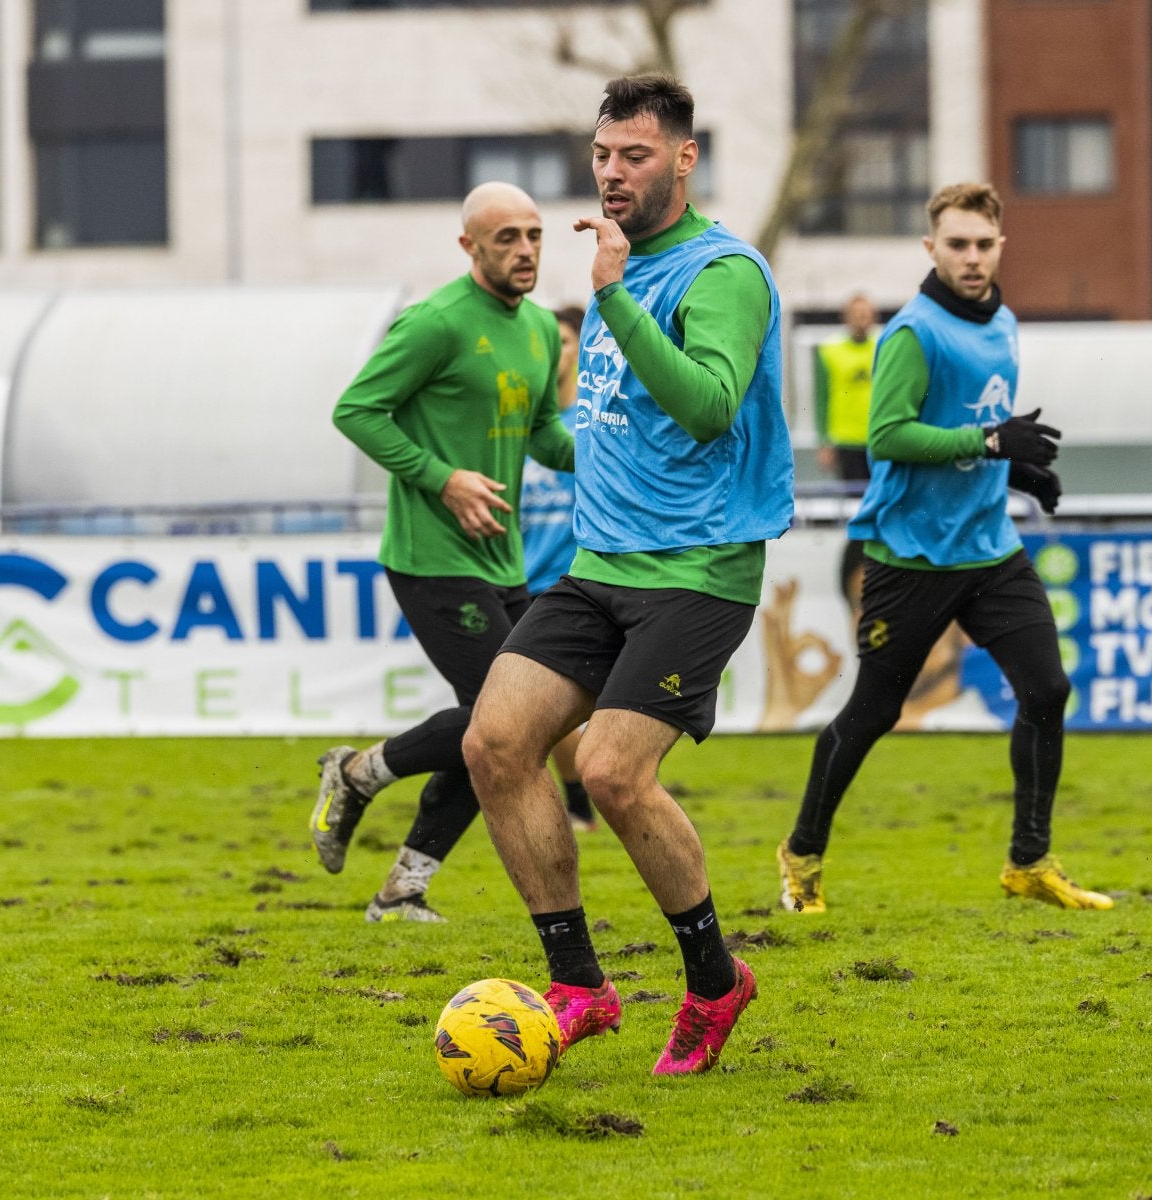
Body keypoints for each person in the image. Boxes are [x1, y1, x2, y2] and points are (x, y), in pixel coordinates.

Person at [462, 74, 790, 1076]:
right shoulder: (617, 265)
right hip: (600, 565)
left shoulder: (722, 273)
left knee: (609, 771)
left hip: (698, 573)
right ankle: (579, 985)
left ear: (684, 161)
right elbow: (608, 428)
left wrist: (611, 295)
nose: (612, 173)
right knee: (494, 745)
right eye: (602, 155)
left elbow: (706, 409)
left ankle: (711, 981)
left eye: (634, 156)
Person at [777, 182, 1109, 915]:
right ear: (931, 248)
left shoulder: (1006, 324)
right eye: (956, 244)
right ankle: (802, 852)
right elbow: (888, 436)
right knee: (873, 713)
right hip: (911, 557)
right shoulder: (913, 333)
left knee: (1047, 690)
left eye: (983, 244)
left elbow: (972, 429)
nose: (971, 256)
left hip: (990, 549)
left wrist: (1018, 471)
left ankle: (1029, 860)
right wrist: (993, 441)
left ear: (1000, 248)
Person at [310, 182, 572, 923]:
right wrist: (443, 478)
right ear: (469, 247)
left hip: (506, 561)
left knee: (503, 730)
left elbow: (546, 436)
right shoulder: (434, 323)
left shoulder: (544, 330)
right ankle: (361, 776)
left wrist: (616, 454)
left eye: (533, 236)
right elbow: (356, 410)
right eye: (506, 239)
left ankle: (399, 881)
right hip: (432, 557)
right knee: (502, 721)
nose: (524, 251)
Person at [518, 304, 599, 831]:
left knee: (553, 714)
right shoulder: (524, 425)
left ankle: (577, 806)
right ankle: (574, 806)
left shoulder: (593, 421)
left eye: (566, 341)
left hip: (570, 585)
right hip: (517, 582)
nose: (556, 353)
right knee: (532, 719)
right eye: (549, 342)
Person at [815, 293, 878, 484]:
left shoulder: (883, 349)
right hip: (845, 440)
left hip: (877, 438)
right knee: (850, 502)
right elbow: (821, 398)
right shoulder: (829, 351)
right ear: (846, 317)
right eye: (856, 314)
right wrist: (823, 442)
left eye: (865, 314)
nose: (861, 319)